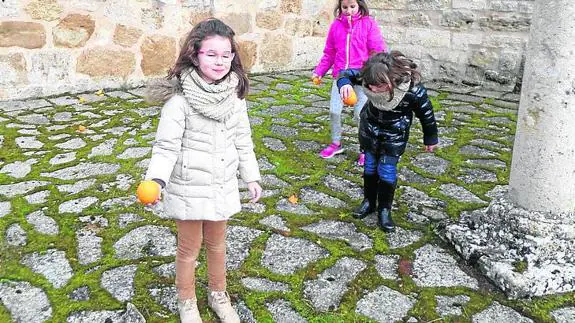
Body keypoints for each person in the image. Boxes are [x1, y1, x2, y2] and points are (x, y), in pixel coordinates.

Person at [143, 18, 262, 323]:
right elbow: (165, 148)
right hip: (188, 187)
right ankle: (187, 300)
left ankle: (218, 294)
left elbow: (242, 138)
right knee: (188, 249)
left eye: (226, 54)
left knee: (218, 245)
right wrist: (155, 180)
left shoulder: (235, 98)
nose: (220, 61)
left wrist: (251, 175)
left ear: (233, 57)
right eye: (211, 54)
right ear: (195, 55)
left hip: (221, 184)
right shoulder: (179, 102)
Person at [337, 51, 439, 232]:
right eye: (370, 86)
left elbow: (426, 114)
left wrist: (430, 137)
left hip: (394, 135)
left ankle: (385, 209)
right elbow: (345, 73)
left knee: (386, 171)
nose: (374, 90)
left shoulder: (412, 90)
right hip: (369, 130)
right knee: (369, 167)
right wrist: (344, 84)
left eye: (380, 86)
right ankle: (368, 202)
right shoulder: (369, 77)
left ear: (392, 79)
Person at [312, 0, 387, 165]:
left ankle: (365, 149)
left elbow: (378, 49)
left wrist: (377, 72)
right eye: (344, 7)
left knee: (361, 114)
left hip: (362, 77)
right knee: (334, 111)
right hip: (341, 77)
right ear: (340, 7)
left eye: (352, 7)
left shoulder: (369, 24)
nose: (349, 11)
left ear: (360, 5)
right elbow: (329, 53)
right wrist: (319, 72)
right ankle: (336, 143)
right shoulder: (335, 26)